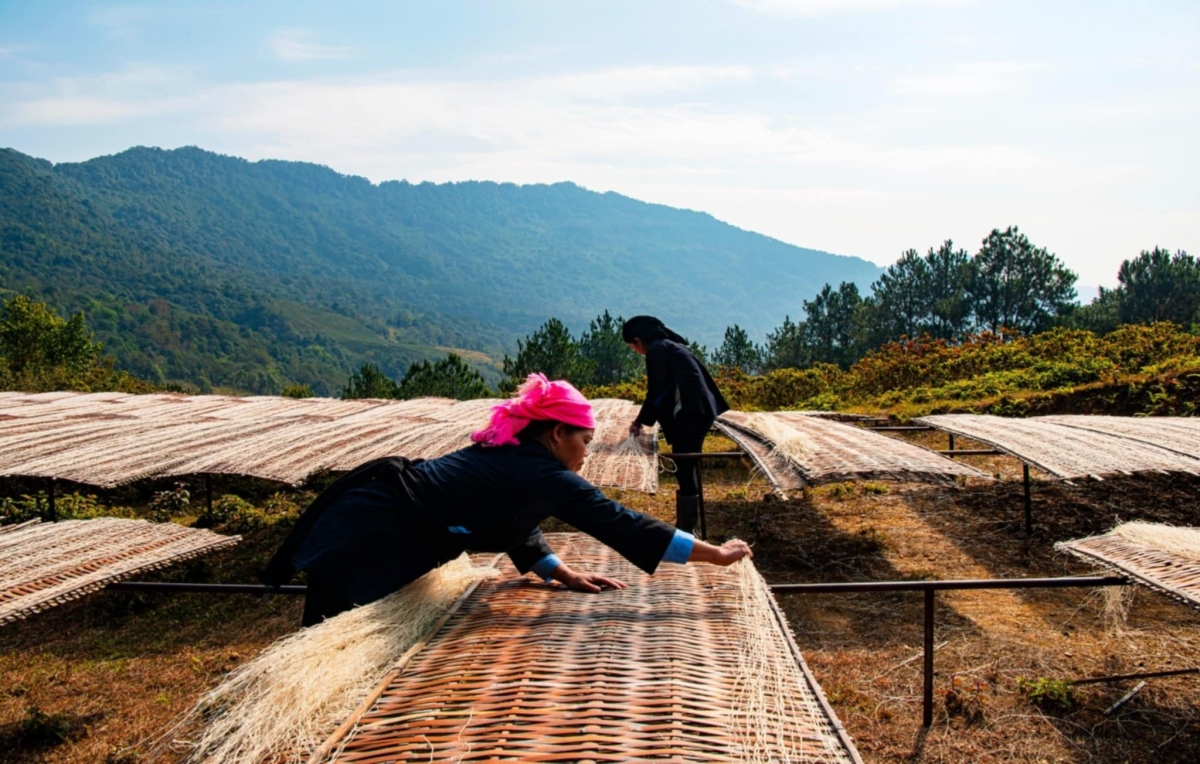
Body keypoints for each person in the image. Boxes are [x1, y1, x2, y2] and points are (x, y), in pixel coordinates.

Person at [262, 373, 752, 626]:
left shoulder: (517, 460)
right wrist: (717, 555)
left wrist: (562, 574)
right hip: (371, 527)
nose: (586, 453)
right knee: (334, 629)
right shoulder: (541, 471)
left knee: (342, 621)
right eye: (583, 441)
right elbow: (622, 523)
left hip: (376, 518)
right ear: (558, 433)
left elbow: (515, 521)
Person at [622, 316, 730, 533]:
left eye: (632, 347)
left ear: (638, 341)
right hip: (698, 412)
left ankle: (688, 529)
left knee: (685, 466)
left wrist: (639, 421)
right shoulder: (668, 347)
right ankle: (689, 526)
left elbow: (657, 390)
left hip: (692, 413)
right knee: (686, 466)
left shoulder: (658, 350)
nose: (635, 351)